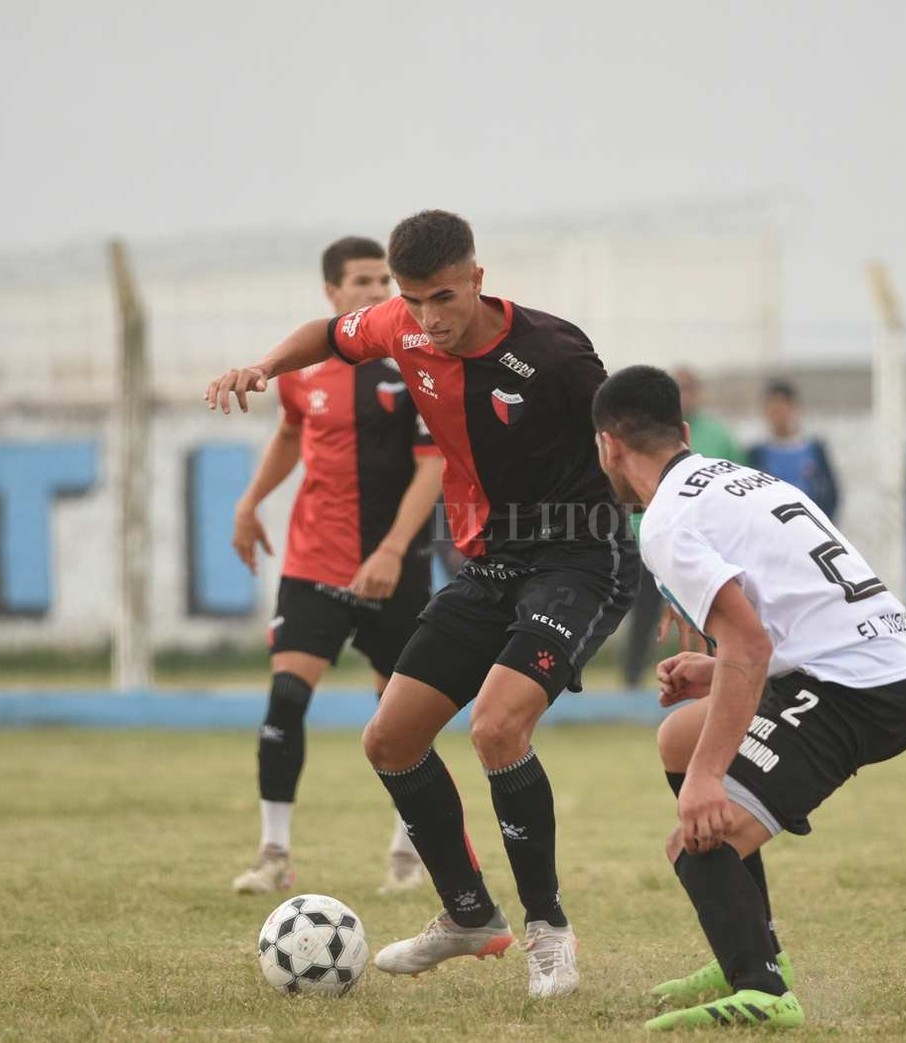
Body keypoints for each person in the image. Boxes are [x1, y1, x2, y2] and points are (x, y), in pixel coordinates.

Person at [206, 210, 638, 998]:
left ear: (477, 278)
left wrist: (688, 564)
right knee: (390, 737)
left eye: (444, 296)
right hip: (491, 561)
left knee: (497, 725)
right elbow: (326, 333)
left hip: (580, 557)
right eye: (415, 300)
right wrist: (263, 366)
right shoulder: (400, 326)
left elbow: (633, 447)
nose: (430, 318)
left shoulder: (555, 353)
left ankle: (549, 930)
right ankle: (469, 913)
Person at [591, 365, 906, 1031]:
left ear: (608, 445)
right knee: (679, 738)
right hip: (864, 662)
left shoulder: (664, 519)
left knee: (694, 842)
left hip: (857, 689)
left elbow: (750, 647)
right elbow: (774, 622)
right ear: (683, 433)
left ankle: (764, 989)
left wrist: (708, 778)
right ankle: (746, 952)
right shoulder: (731, 476)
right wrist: (714, 671)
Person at [228, 236, 444, 897]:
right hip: (315, 560)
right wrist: (250, 501)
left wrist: (389, 551)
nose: (377, 291)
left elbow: (432, 466)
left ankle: (407, 850)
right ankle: (272, 853)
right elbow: (291, 435)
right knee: (286, 698)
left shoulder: (417, 364)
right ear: (332, 294)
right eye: (362, 281)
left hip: (395, 567)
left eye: (384, 280)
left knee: (400, 717)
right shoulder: (304, 370)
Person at [621, 367, 742, 687]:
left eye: (689, 388)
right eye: (678, 389)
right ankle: (632, 680)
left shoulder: (719, 435)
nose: (684, 395)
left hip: (706, 546)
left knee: (714, 614)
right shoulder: (645, 436)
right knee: (644, 612)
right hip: (653, 538)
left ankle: (721, 674)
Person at [746, 380, 839, 522]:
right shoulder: (756, 454)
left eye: (783, 407)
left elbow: (830, 494)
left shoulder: (814, 450)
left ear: (795, 409)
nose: (778, 414)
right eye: (773, 408)